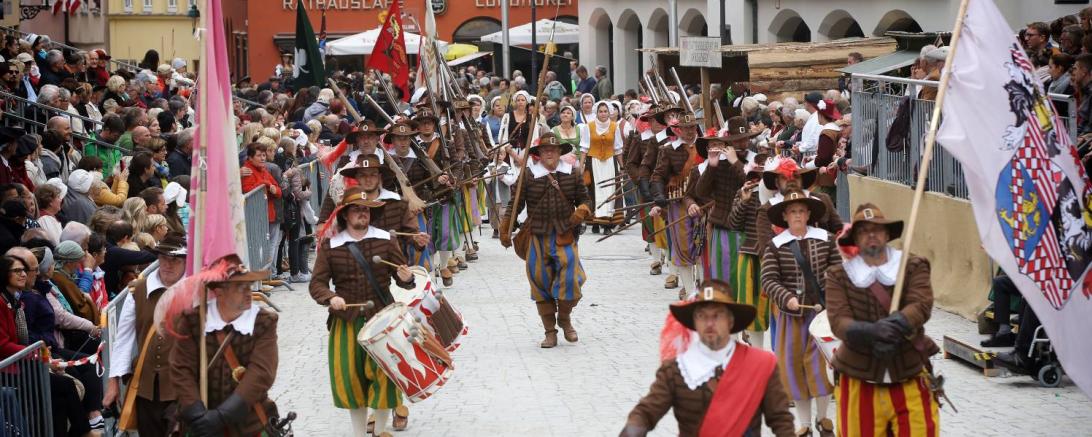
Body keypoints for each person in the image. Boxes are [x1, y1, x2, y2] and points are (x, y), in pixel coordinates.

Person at [621, 280, 795, 436]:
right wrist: (632, 431)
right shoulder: (676, 370)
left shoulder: (761, 364)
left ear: (731, 321)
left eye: (717, 315)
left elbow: (780, 420)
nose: (709, 323)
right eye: (702, 316)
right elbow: (646, 413)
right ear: (694, 322)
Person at [309, 186, 416, 437]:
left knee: (384, 379)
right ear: (345, 214)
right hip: (346, 322)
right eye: (356, 209)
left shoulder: (386, 239)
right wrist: (331, 297)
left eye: (366, 210)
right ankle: (359, 434)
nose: (362, 213)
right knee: (350, 380)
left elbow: (402, 278)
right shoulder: (331, 245)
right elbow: (317, 284)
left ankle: (379, 431)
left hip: (383, 319)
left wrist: (407, 278)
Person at [825, 203, 940, 437]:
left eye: (877, 229)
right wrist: (871, 332)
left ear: (887, 234)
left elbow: (921, 304)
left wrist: (897, 325)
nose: (871, 235)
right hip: (859, 378)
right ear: (855, 239)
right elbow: (838, 320)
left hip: (908, 373)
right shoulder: (838, 276)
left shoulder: (913, 266)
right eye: (864, 231)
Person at [168, 257, 281, 436]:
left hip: (249, 422)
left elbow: (261, 373)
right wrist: (197, 414)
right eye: (240, 287)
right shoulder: (193, 320)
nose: (248, 293)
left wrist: (221, 417)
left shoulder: (264, 321)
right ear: (219, 293)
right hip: (199, 424)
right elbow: (181, 369)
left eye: (249, 286)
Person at [760, 189, 839, 436]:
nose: (797, 215)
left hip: (823, 318)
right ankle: (804, 423)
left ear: (808, 214)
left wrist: (830, 282)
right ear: (785, 215)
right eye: (792, 211)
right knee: (794, 370)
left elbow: (839, 270)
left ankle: (823, 418)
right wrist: (787, 298)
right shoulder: (776, 245)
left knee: (823, 369)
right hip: (791, 318)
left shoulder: (826, 239)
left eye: (801, 211)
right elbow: (769, 280)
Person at [500, 133, 591, 348]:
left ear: (560, 152)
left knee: (572, 279)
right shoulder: (528, 175)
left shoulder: (573, 173)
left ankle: (565, 319)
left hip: (565, 234)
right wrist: (506, 229)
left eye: (553, 149)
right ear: (538, 154)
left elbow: (586, 199)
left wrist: (582, 210)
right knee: (539, 281)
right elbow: (515, 205)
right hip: (536, 235)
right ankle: (550, 331)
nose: (549, 153)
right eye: (545, 150)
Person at [648, 112, 705, 297]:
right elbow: (658, 176)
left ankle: (702, 289)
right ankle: (690, 292)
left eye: (692, 128)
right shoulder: (668, 149)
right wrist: (658, 196)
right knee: (683, 247)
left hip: (703, 202)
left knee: (703, 247)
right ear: (678, 130)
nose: (689, 132)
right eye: (686, 128)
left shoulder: (705, 147)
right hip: (678, 203)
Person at [578, 101, 625, 234]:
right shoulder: (589, 126)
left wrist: (622, 167)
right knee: (593, 191)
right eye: (600, 111)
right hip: (593, 162)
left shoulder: (614, 126)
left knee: (609, 191)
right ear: (596, 113)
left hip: (610, 162)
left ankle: (607, 224)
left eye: (605, 111)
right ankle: (594, 221)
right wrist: (581, 165)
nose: (603, 114)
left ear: (609, 112)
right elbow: (584, 147)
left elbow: (618, 149)